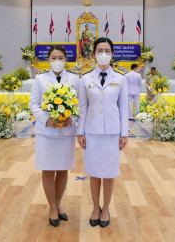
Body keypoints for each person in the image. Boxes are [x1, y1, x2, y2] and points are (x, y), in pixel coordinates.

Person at [77, 37, 128, 228]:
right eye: (100, 50)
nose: (103, 54)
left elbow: (124, 109)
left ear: (112, 54)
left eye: (107, 51)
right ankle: (95, 207)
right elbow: (83, 108)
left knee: (109, 173)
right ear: (93, 54)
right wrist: (80, 133)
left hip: (113, 134)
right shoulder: (85, 79)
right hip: (92, 132)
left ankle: (106, 208)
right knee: (94, 173)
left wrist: (124, 134)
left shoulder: (120, 79)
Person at [29, 45, 80, 227]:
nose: (57, 61)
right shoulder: (40, 79)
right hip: (47, 133)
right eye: (53, 58)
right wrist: (45, 120)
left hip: (66, 132)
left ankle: (58, 204)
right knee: (48, 169)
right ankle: (52, 207)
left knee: (63, 169)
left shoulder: (74, 78)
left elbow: (80, 103)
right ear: (48, 60)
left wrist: (72, 120)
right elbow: (33, 103)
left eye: (60, 57)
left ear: (66, 59)